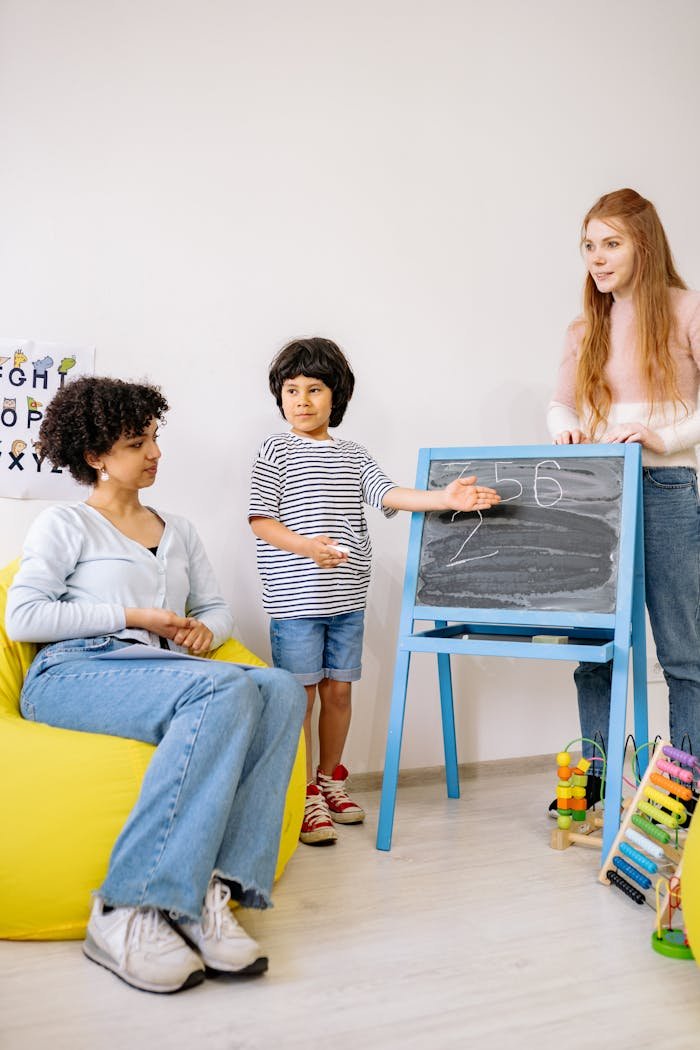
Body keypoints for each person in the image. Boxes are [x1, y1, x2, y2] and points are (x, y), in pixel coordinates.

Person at [6, 376, 306, 994]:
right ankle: (127, 909)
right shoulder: (65, 525)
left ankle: (207, 895)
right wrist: (135, 617)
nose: (154, 453)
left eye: (154, 438)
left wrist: (202, 629)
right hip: (72, 671)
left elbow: (217, 606)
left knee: (280, 688)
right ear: (95, 457)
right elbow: (24, 617)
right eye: (137, 442)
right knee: (225, 691)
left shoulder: (180, 529)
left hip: (162, 670)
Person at [249, 337, 500, 845]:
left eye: (314, 389)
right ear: (279, 397)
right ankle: (301, 795)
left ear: (335, 397)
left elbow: (388, 495)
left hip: (346, 599)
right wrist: (305, 547)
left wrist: (443, 498)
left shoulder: (354, 454)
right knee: (299, 697)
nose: (301, 400)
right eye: (291, 390)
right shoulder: (273, 450)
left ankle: (329, 780)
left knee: (338, 691)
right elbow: (260, 520)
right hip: (296, 600)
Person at [548, 187, 700, 801]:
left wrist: (661, 437)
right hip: (599, 493)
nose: (597, 258)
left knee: (684, 650)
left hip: (666, 486)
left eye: (611, 244)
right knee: (594, 645)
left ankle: (682, 792)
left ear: (644, 243)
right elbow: (561, 404)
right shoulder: (586, 326)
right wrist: (567, 431)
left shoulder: (687, 310)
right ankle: (598, 782)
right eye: (589, 246)